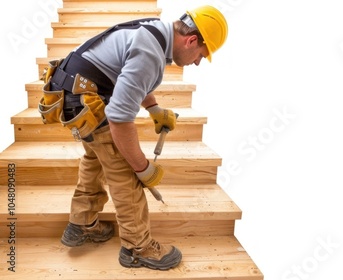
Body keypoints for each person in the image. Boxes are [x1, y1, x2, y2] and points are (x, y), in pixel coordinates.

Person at [38, 5, 228, 270]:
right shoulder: (151, 51)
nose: (197, 61)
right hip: (86, 100)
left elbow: (127, 75)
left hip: (75, 94)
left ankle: (81, 224)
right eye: (200, 55)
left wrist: (154, 109)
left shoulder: (155, 30)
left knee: (96, 158)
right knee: (124, 171)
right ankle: (138, 248)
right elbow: (118, 118)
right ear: (192, 40)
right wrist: (142, 167)